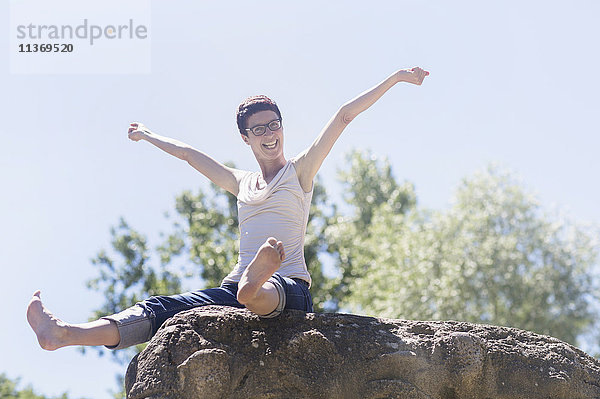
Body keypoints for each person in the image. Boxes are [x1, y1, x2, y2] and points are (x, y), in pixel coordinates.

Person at [27, 67, 429, 351]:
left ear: (282, 127)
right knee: (163, 308)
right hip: (232, 291)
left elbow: (343, 115)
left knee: (264, 291)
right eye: (259, 129)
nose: (269, 134)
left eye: (274, 125)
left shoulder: (301, 172)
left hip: (289, 287)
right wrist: (147, 135)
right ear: (245, 137)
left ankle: (255, 284)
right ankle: (65, 334)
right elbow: (188, 154)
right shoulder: (241, 182)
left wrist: (394, 79)